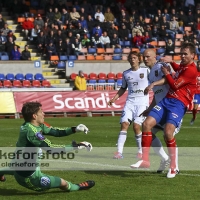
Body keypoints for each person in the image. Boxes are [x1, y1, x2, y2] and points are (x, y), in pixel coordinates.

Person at [131, 42, 198, 178]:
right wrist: (172, 62)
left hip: (178, 104)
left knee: (168, 133)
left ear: (193, 55)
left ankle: (173, 167)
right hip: (166, 100)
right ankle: (145, 159)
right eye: (181, 53)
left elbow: (173, 85)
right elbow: (177, 69)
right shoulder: (183, 66)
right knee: (146, 124)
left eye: (186, 54)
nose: (183, 56)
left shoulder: (191, 70)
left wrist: (166, 73)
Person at [0, 102, 95, 192]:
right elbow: (52, 149)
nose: (44, 114)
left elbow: (56, 132)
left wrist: (75, 129)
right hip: (29, 177)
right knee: (63, 183)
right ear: (34, 116)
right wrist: (76, 146)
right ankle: (77, 187)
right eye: (41, 112)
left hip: (18, 166)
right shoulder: (32, 132)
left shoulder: (33, 125)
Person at [131, 48, 181, 173]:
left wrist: (153, 84)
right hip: (160, 109)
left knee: (168, 135)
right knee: (149, 132)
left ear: (155, 57)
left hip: (172, 107)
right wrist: (149, 109)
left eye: (147, 56)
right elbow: (157, 95)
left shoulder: (161, 66)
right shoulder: (150, 72)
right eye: (144, 56)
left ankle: (176, 166)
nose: (145, 59)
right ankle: (164, 158)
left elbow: (167, 79)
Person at [108, 51, 149, 159]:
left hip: (142, 103)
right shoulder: (126, 73)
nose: (132, 60)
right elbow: (123, 88)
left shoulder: (146, 70)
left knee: (136, 126)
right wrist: (114, 99)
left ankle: (141, 152)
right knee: (124, 124)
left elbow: (154, 81)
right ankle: (119, 152)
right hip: (130, 102)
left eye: (134, 58)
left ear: (139, 59)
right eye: (130, 58)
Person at [190, 60, 200, 125]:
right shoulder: (195, 72)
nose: (199, 65)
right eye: (198, 64)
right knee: (195, 108)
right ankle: (194, 117)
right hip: (197, 93)